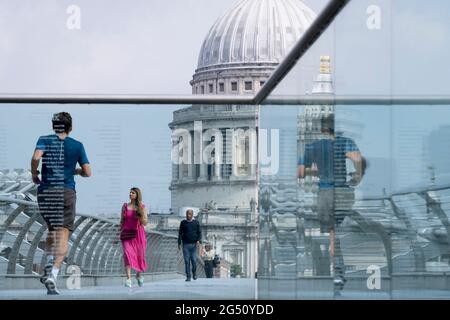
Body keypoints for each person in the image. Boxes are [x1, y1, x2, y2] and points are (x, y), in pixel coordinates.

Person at [297, 114, 365, 296]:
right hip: (344, 192)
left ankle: (338, 271)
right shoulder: (344, 142)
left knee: (332, 234)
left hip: (325, 194)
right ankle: (340, 269)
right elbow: (358, 160)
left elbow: (301, 172)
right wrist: (357, 177)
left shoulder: (312, 146)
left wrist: (316, 170)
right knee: (339, 229)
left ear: (321, 129)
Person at [31, 112, 92, 295]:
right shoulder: (77, 146)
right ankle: (53, 274)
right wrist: (75, 171)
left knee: (52, 229)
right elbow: (88, 172)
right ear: (70, 127)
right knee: (63, 233)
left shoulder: (44, 139)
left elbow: (36, 158)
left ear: (53, 126)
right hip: (66, 192)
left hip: (46, 191)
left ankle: (49, 263)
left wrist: (35, 174)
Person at [120, 187, 148, 287]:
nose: (130, 194)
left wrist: (140, 216)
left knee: (140, 256)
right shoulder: (125, 206)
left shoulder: (142, 207)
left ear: (137, 195)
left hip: (138, 235)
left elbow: (145, 223)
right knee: (128, 254)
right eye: (130, 192)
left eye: (133, 193)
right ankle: (128, 279)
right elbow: (122, 221)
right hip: (127, 234)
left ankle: (139, 275)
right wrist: (119, 232)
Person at [178, 209, 202, 281]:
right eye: (187, 214)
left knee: (194, 261)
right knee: (186, 261)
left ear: (192, 215)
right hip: (185, 245)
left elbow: (199, 233)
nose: (188, 215)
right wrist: (179, 243)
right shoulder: (183, 223)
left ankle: (194, 273)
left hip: (194, 245)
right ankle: (188, 276)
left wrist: (198, 240)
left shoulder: (196, 223)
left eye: (189, 214)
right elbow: (180, 233)